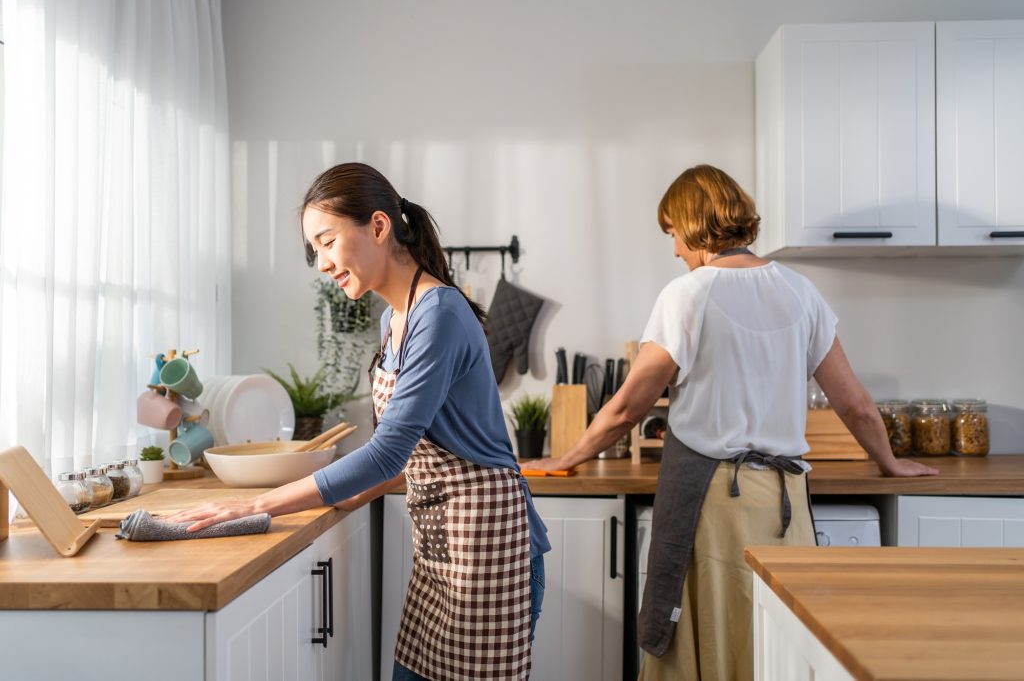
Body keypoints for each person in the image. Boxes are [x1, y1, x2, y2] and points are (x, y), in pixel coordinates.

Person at [520, 164, 938, 681]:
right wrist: (889, 462)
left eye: (673, 233)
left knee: (712, 643)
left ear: (694, 224)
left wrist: (566, 458)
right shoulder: (800, 291)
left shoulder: (688, 295)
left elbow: (629, 407)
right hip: (785, 503)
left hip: (713, 503)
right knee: (777, 646)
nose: (675, 249)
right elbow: (855, 405)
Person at [167, 162, 550, 681]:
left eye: (327, 241)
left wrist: (255, 504)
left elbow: (387, 453)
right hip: (444, 552)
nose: (322, 263)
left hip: (488, 552)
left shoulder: (437, 314)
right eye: (315, 250)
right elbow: (408, 455)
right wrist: (330, 496)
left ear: (378, 226)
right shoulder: (396, 317)